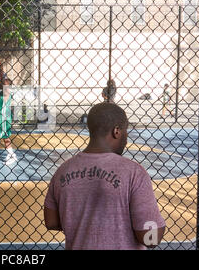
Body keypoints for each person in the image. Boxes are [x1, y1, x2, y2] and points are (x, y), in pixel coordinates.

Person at [44, 102, 166, 250]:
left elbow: (51, 221)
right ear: (117, 131)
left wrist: (85, 221)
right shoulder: (134, 172)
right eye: (125, 131)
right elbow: (150, 238)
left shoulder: (63, 170)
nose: (126, 138)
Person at [0, 62, 17, 166]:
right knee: (5, 137)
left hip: (5, 117)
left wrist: (0, 69)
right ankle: (10, 153)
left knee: (6, 137)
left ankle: (12, 155)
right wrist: (0, 68)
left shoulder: (6, 92)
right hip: (2, 116)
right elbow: (0, 79)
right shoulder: (4, 90)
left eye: (5, 84)